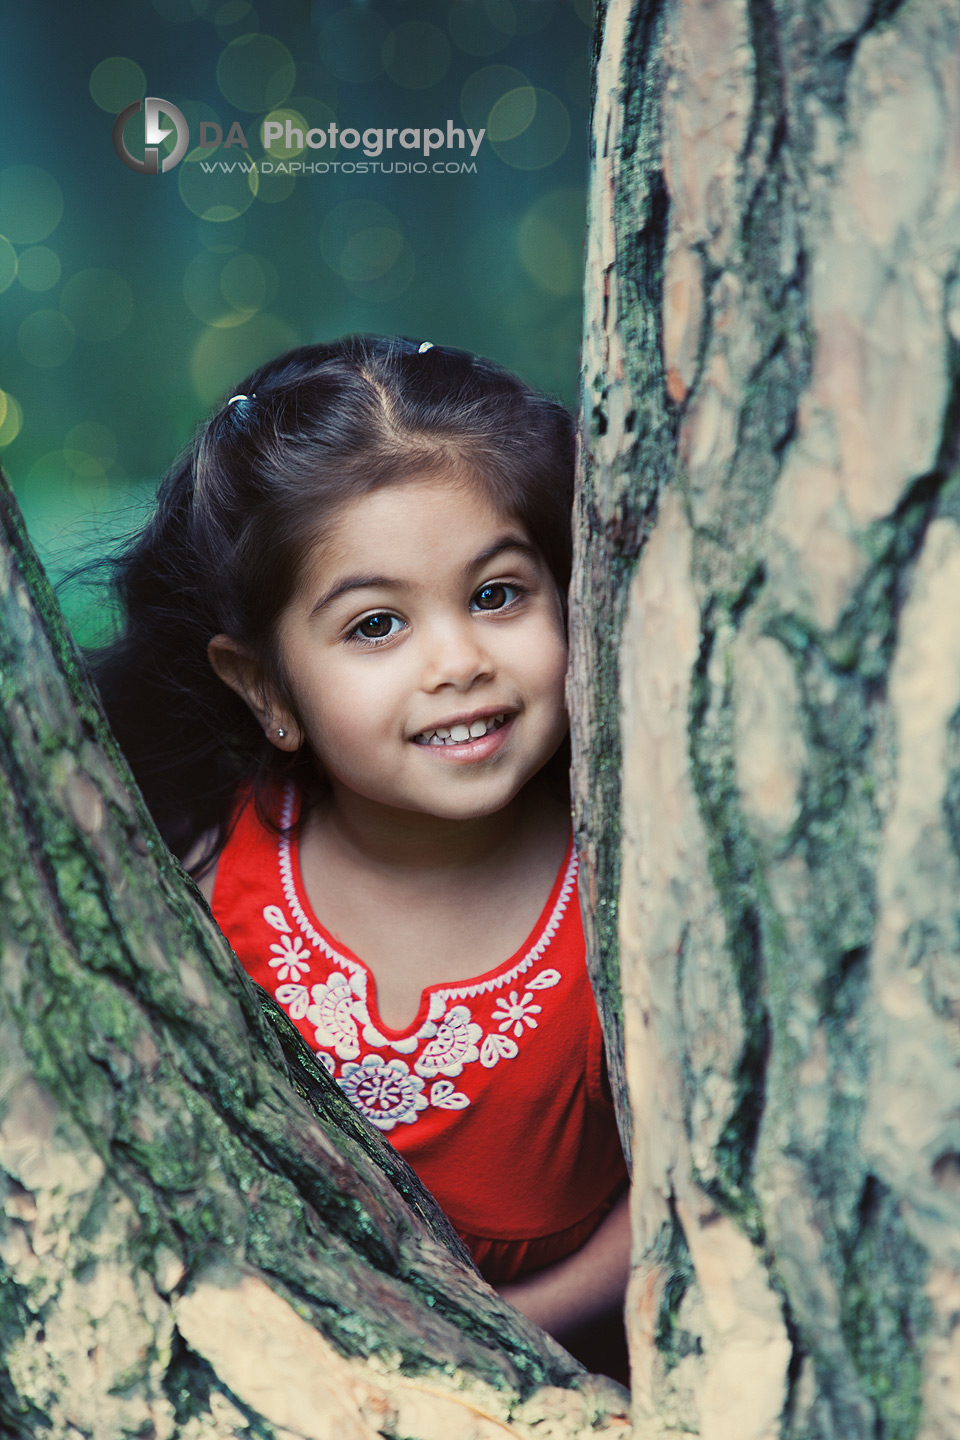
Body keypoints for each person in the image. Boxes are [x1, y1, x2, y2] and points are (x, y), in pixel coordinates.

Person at [90, 334, 630, 1370]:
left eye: (497, 595)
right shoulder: (212, 873)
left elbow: (682, 1193)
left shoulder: (621, 898)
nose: (458, 662)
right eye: (377, 625)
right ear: (267, 691)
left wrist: (510, 1340)